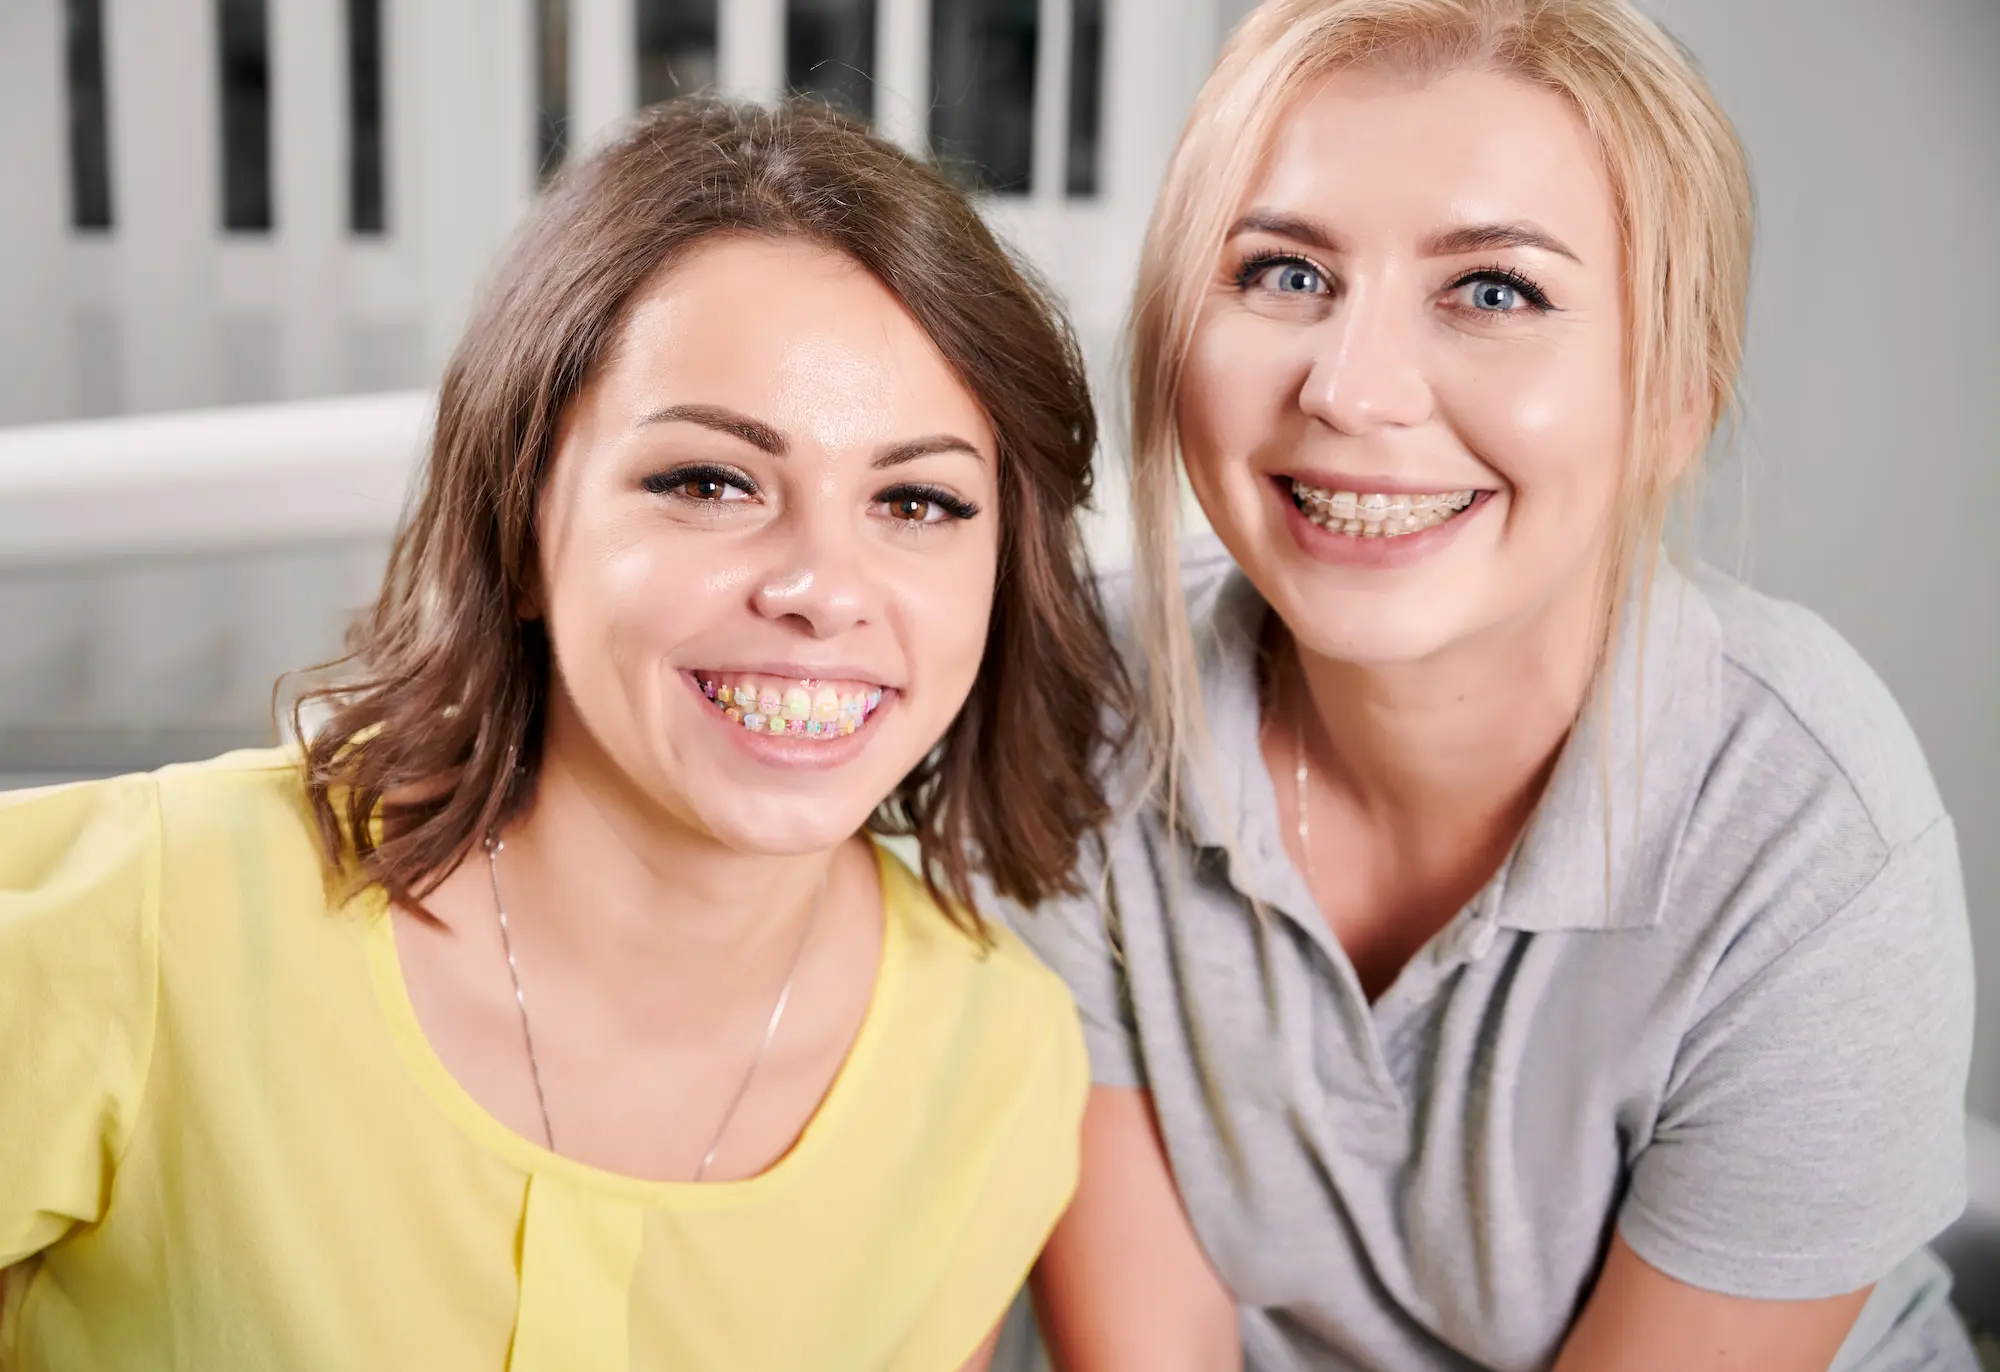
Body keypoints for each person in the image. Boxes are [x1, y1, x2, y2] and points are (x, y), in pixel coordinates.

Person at [0, 98, 1123, 1371]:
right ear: (520, 526)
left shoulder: (994, 1062)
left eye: (916, 499)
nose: (821, 585)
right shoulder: (145, 919)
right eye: (708, 482)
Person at [1011, 2, 1977, 1368]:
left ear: (1674, 403)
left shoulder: (1807, 830)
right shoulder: (1078, 703)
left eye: (1495, 290)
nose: (1351, 389)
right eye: (1285, 273)